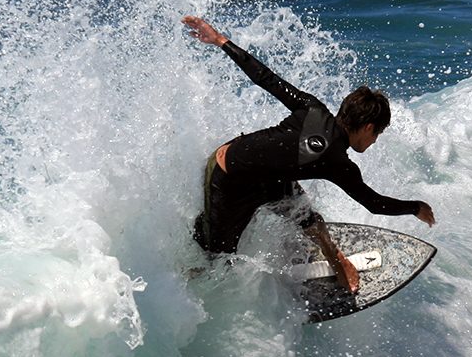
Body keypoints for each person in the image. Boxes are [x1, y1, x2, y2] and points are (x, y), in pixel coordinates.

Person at [184, 15, 435, 292]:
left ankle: (336, 258)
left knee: (304, 212)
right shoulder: (339, 164)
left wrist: (220, 40)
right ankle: (186, 278)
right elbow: (374, 204)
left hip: (268, 174)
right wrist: (416, 207)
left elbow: (265, 78)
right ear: (368, 127)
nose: (375, 141)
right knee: (217, 259)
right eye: (377, 134)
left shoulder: (313, 108)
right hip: (229, 178)